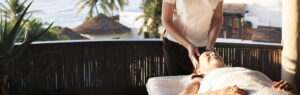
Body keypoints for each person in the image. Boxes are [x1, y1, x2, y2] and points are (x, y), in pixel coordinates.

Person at [180, 51, 299, 95]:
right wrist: (219, 93)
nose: (213, 54)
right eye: (207, 55)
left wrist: (293, 90)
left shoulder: (239, 71)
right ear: (198, 70)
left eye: (216, 54)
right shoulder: (201, 79)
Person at [161, 0, 224, 75]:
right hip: (175, 45)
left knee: (201, 84)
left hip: (203, 48)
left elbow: (217, 18)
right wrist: (188, 45)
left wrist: (210, 44)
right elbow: (166, 20)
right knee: (176, 82)